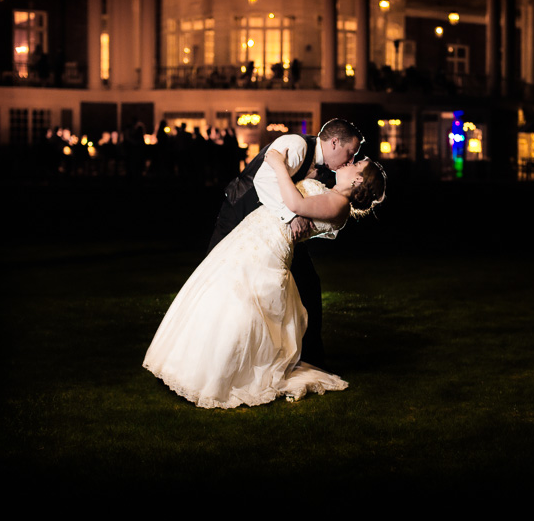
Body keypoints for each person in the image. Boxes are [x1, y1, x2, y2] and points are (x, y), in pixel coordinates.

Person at [142, 148, 386, 409]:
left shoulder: (339, 205)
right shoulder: (332, 193)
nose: (351, 162)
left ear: (359, 180)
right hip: (256, 233)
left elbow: (295, 205)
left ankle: (221, 373)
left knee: (242, 303)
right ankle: (193, 364)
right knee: (221, 292)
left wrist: (278, 164)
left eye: (357, 163)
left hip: (270, 247)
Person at [207, 119, 364, 367]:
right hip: (240, 216)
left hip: (277, 232)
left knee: (308, 284)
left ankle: (308, 356)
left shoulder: (325, 170)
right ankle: (215, 349)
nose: (351, 160)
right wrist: (291, 215)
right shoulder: (297, 145)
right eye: (350, 152)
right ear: (334, 142)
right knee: (218, 278)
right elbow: (263, 181)